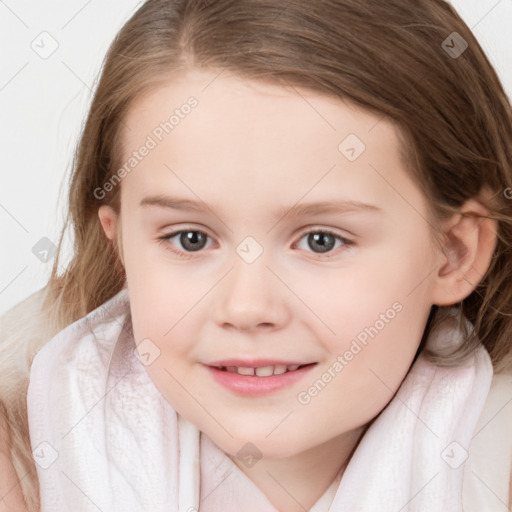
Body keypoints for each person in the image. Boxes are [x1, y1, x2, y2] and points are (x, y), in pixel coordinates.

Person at [1, 0, 512, 510]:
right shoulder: (23, 458)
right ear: (123, 250)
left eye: (321, 241)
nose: (246, 308)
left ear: (453, 253)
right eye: (190, 239)